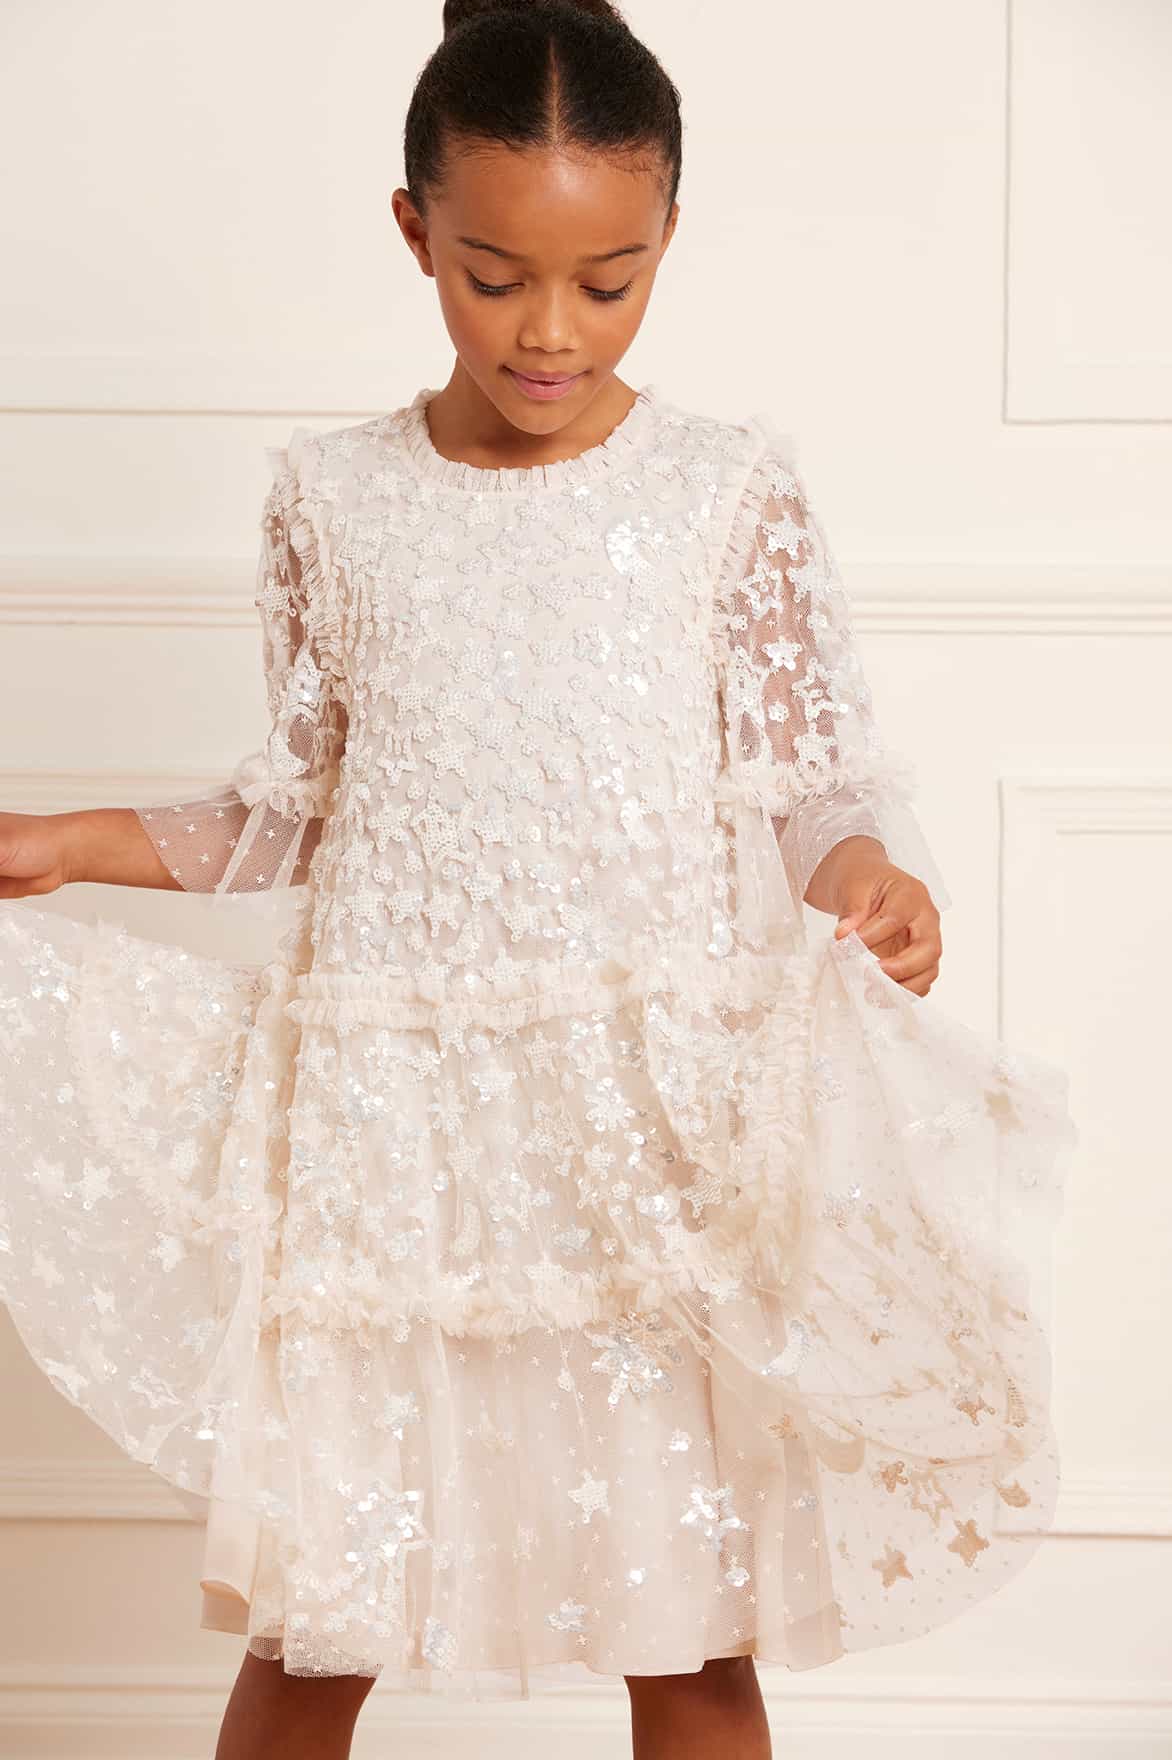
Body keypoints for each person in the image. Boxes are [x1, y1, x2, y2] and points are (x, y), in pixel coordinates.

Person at [0, 1, 1078, 1756]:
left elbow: (805, 777)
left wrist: (867, 871)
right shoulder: (330, 501)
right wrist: (65, 842)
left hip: (646, 1142)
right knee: (316, 1627)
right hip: (394, 1150)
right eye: (495, 277)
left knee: (693, 1642)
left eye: (610, 280)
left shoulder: (726, 493)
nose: (551, 330)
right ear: (415, 229)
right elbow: (304, 808)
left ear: (669, 238)